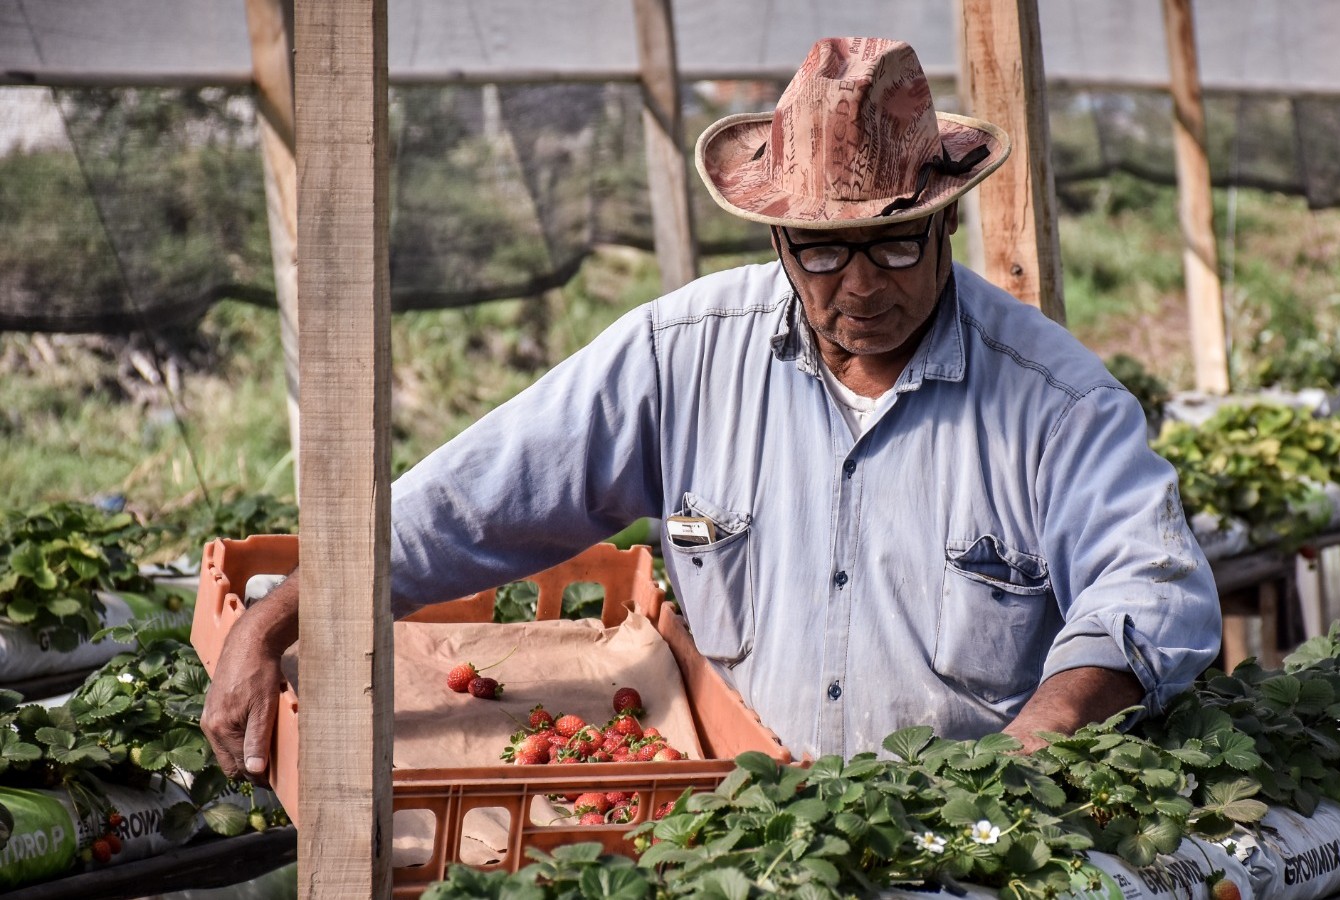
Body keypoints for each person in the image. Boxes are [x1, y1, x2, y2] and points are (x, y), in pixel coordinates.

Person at [201, 36, 1219, 780]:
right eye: (821, 252)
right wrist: (278, 614)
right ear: (775, 239)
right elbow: (474, 502)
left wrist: (1018, 759)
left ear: (944, 220)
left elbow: (1150, 596)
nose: (859, 287)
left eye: (896, 245)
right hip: (747, 831)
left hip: (961, 848)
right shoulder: (679, 357)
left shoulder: (1052, 401)